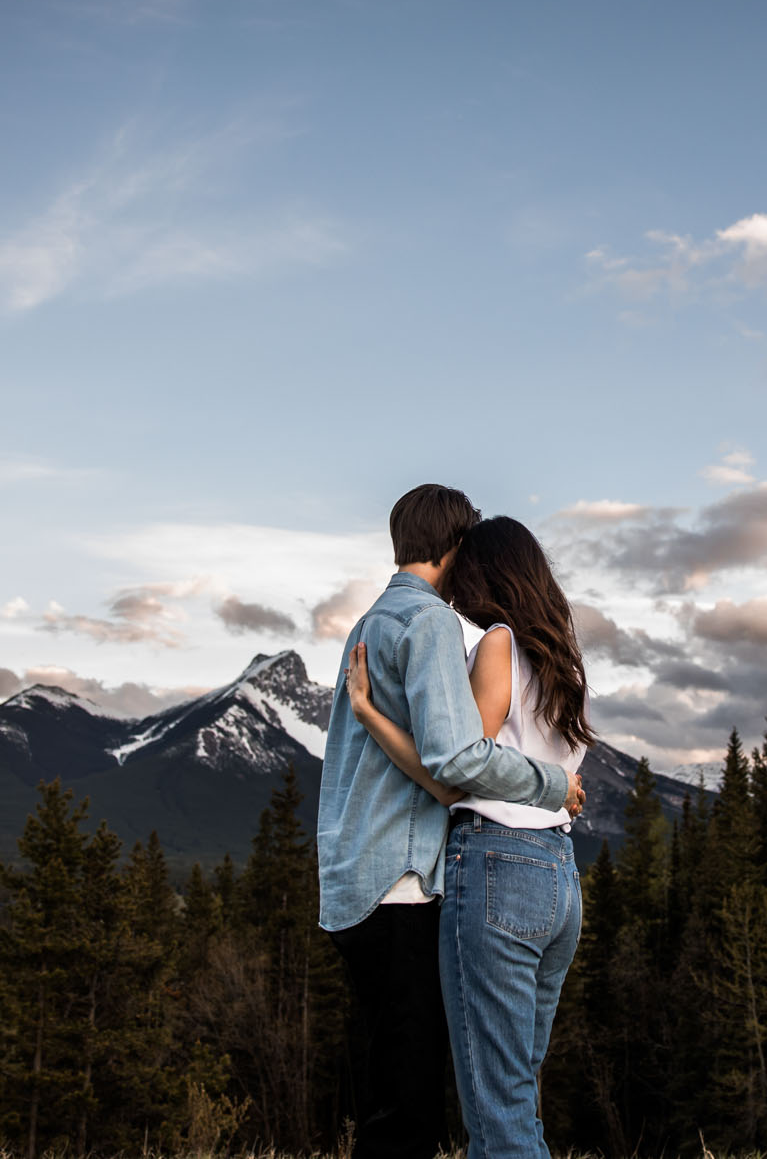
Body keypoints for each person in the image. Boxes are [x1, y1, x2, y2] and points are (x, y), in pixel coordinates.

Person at [318, 485, 586, 1159]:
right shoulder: (535, 651)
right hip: (514, 873)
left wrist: (373, 718)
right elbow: (458, 759)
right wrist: (553, 786)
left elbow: (454, 761)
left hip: (402, 872)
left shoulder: (377, 624)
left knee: (430, 1100)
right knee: (491, 1098)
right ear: (453, 546)